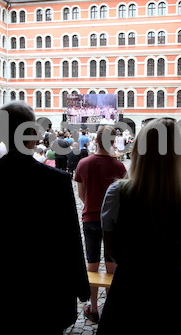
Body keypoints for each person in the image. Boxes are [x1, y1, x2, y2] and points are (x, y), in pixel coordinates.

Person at [0, 101, 90, 334]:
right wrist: (81, 286)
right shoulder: (56, 180)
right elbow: (69, 237)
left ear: (0, 134)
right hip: (45, 295)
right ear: (33, 135)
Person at [99, 118, 181, 334]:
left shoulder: (116, 193)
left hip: (130, 287)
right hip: (175, 290)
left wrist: (135, 265)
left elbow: (111, 247)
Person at [73, 126, 127, 323]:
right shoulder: (119, 167)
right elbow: (123, 196)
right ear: (113, 142)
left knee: (92, 264)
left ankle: (94, 308)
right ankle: (110, 309)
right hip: (113, 221)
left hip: (90, 218)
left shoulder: (83, 164)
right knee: (111, 265)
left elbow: (81, 194)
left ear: (95, 140)